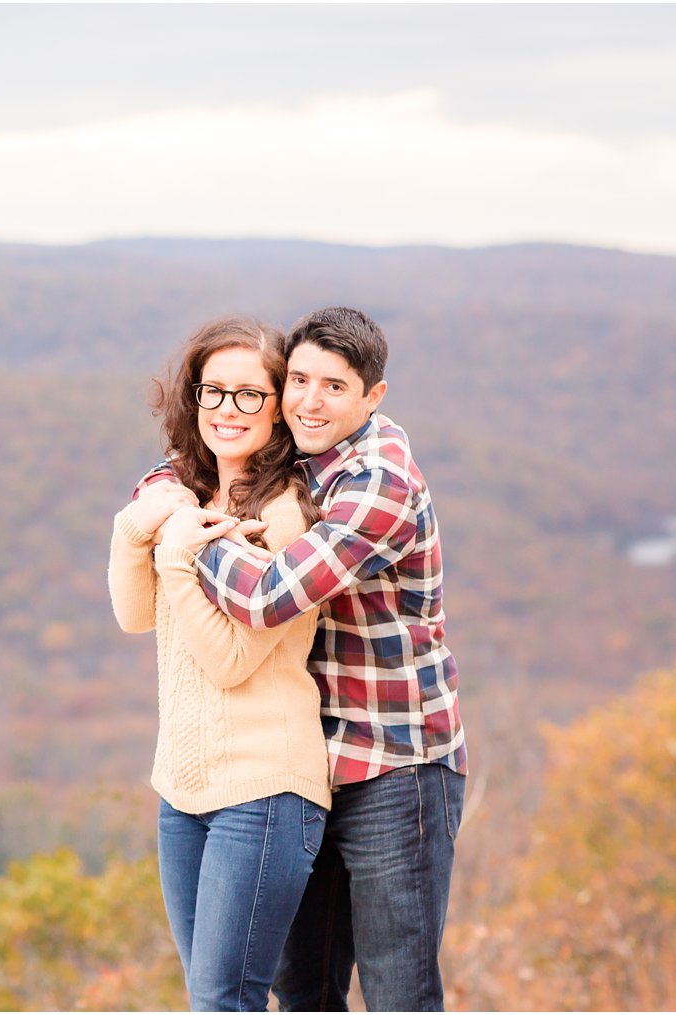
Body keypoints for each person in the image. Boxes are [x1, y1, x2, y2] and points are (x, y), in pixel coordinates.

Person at [139, 307, 468, 1012]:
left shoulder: (378, 483)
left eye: (335, 386)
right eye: (300, 380)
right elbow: (194, 465)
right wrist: (168, 494)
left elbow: (263, 598)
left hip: (394, 761)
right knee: (303, 988)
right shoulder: (302, 457)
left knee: (397, 988)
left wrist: (182, 532)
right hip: (308, 762)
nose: (310, 400)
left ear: (372, 397)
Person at [108, 315, 331, 1012]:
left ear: (279, 407)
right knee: (210, 997)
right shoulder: (184, 496)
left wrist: (176, 558)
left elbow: (233, 660)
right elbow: (133, 614)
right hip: (182, 789)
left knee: (225, 999)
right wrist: (134, 526)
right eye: (213, 392)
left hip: (264, 789)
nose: (228, 411)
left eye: (249, 395)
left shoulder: (286, 515)